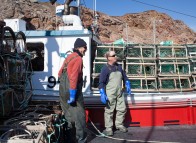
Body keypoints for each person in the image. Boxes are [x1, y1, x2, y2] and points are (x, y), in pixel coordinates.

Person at [58, 38, 87, 143]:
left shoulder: (69, 57)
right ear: (78, 47)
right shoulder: (78, 59)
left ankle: (69, 138)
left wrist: (65, 88)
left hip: (62, 89)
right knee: (79, 115)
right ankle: (81, 139)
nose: (85, 50)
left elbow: (59, 73)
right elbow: (74, 77)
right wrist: (73, 93)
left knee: (68, 114)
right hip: (72, 89)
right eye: (84, 47)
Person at [99, 50, 131, 136]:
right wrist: (102, 93)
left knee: (122, 108)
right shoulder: (105, 69)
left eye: (115, 55)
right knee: (109, 110)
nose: (115, 56)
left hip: (120, 91)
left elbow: (124, 77)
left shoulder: (119, 67)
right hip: (110, 92)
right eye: (113, 55)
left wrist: (127, 82)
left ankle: (119, 125)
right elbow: (101, 82)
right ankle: (109, 128)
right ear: (109, 58)